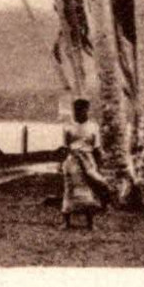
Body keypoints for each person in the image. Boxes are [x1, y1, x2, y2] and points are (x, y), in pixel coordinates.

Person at [59, 98, 109, 229]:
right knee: (69, 190)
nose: (77, 113)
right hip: (72, 160)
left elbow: (97, 148)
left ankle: (90, 223)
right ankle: (66, 222)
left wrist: (99, 166)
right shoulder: (68, 127)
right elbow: (65, 147)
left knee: (88, 190)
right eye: (75, 111)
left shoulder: (93, 127)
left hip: (88, 160)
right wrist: (61, 163)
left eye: (80, 110)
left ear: (86, 110)